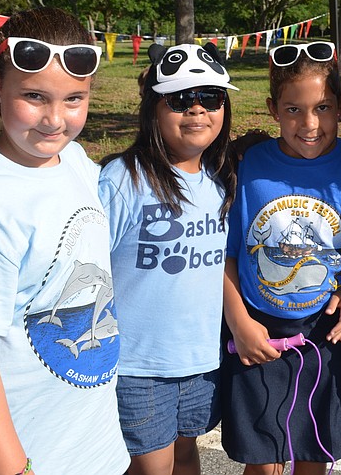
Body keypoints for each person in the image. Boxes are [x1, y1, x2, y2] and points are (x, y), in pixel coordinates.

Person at [0, 7, 129, 475]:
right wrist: (14, 469)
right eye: (35, 96)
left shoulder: (75, 161)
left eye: (74, 99)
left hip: (96, 444)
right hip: (30, 454)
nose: (55, 120)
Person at [222, 41, 341, 474]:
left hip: (322, 333)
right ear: (272, 109)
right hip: (255, 328)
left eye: (323, 108)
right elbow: (226, 253)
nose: (309, 124)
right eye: (293, 110)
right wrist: (239, 321)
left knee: (313, 453)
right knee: (263, 458)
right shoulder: (248, 165)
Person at [98, 42, 237, 475]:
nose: (196, 110)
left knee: (185, 453)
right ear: (154, 109)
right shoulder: (123, 179)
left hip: (200, 359)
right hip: (140, 365)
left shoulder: (220, 180)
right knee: (150, 467)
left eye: (210, 97)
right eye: (179, 99)